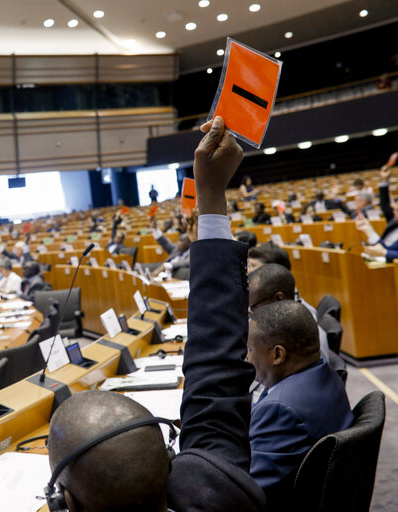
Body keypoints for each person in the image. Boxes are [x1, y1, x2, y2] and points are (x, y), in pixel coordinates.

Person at [47, 116, 265, 512]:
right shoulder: (216, 487)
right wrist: (212, 194)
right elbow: (216, 373)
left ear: (68, 506)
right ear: (171, 465)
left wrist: (210, 196)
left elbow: (216, 378)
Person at [247, 300, 353, 509]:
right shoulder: (326, 372)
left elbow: (251, 491)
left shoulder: (281, 409)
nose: (247, 357)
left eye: (250, 349)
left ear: (277, 354)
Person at [248, 263, 331, 362]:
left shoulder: (306, 339)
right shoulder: (277, 327)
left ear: (279, 299)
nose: (249, 312)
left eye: (253, 306)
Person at [356, 163, 398, 260]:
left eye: (397, 210)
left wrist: (385, 253)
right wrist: (368, 229)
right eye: (395, 209)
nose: (393, 212)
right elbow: (385, 206)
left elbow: (384, 250)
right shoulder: (394, 221)